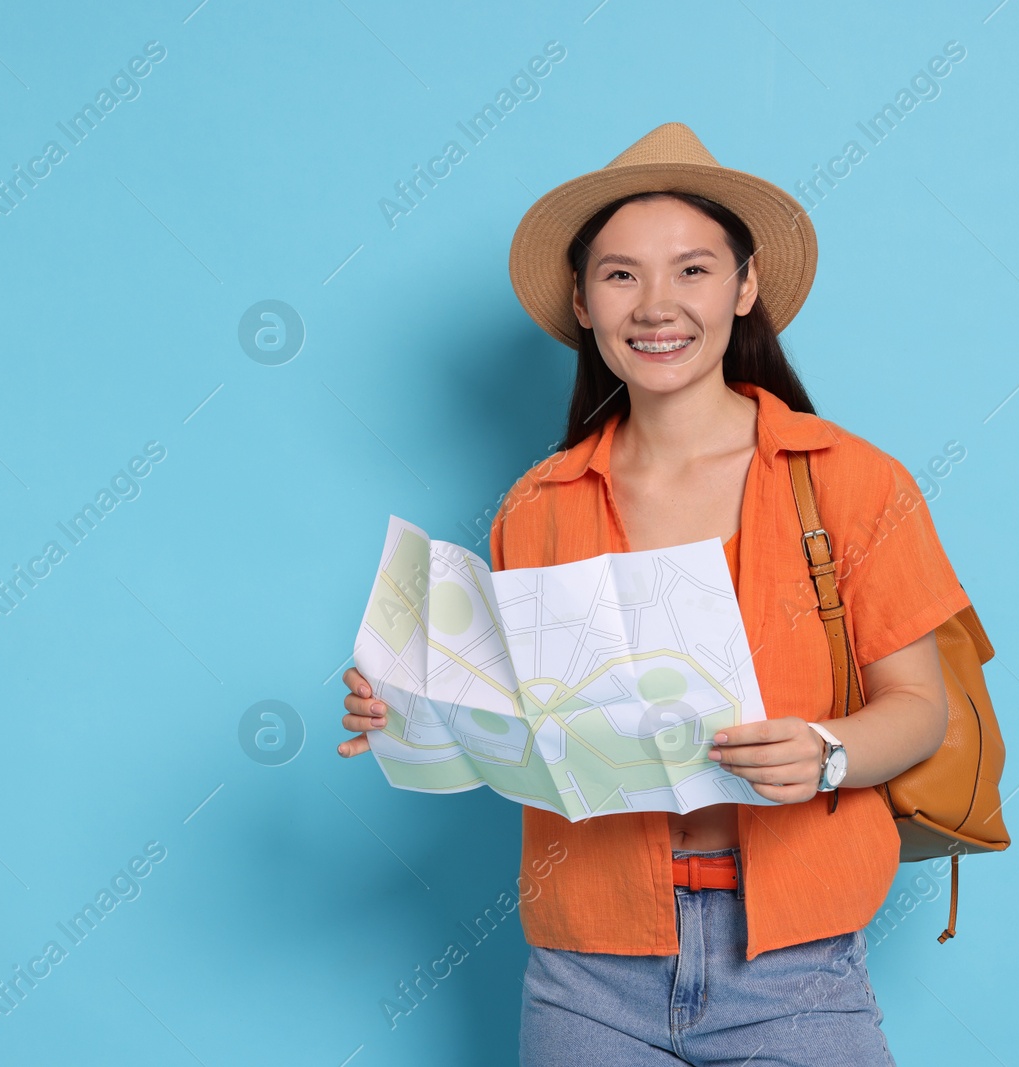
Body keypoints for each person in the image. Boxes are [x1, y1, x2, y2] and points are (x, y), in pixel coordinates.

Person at [336, 123, 972, 1066]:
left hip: (798, 962)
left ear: (744, 287)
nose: (658, 305)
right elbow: (524, 719)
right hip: (586, 969)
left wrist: (828, 752)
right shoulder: (538, 504)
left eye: (694, 270)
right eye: (622, 274)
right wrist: (411, 708)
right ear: (586, 303)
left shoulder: (851, 481)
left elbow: (923, 707)